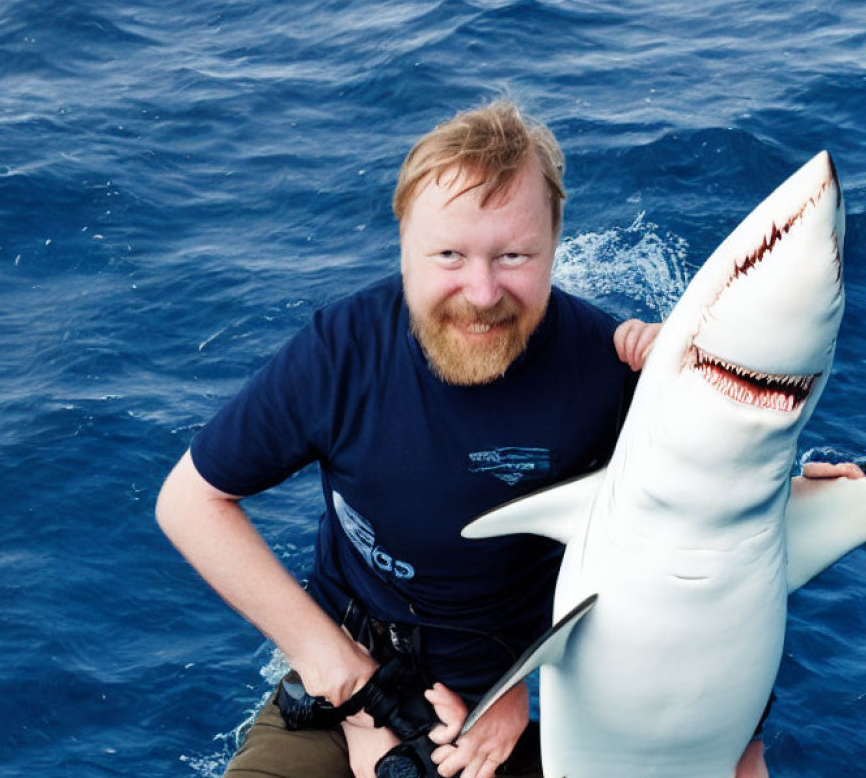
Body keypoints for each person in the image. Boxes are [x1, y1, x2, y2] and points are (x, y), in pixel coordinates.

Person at [156, 99, 849, 778]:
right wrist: (342, 674)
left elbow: (706, 555)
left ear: (555, 247)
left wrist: (771, 486)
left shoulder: (605, 374)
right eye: (449, 255)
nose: (482, 293)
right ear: (403, 243)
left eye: (515, 255)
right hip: (347, 681)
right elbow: (189, 503)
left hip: (508, 704)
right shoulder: (340, 354)